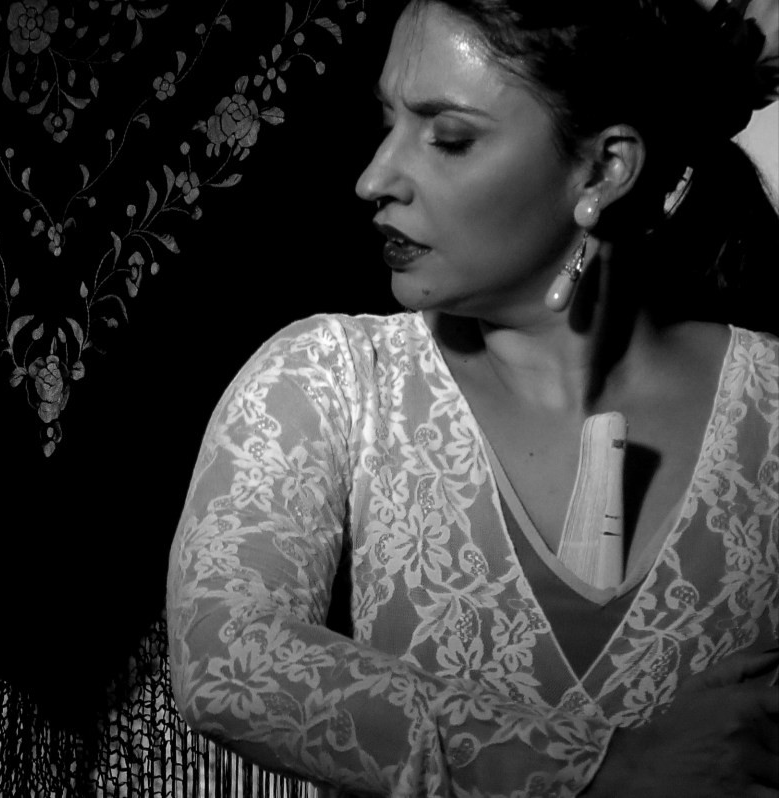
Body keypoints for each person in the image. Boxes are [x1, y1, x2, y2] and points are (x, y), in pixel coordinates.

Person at [166, 0, 779, 795]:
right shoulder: (329, 380)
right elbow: (225, 658)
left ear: (603, 170)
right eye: (387, 122)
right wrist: (599, 772)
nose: (374, 179)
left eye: (448, 138)